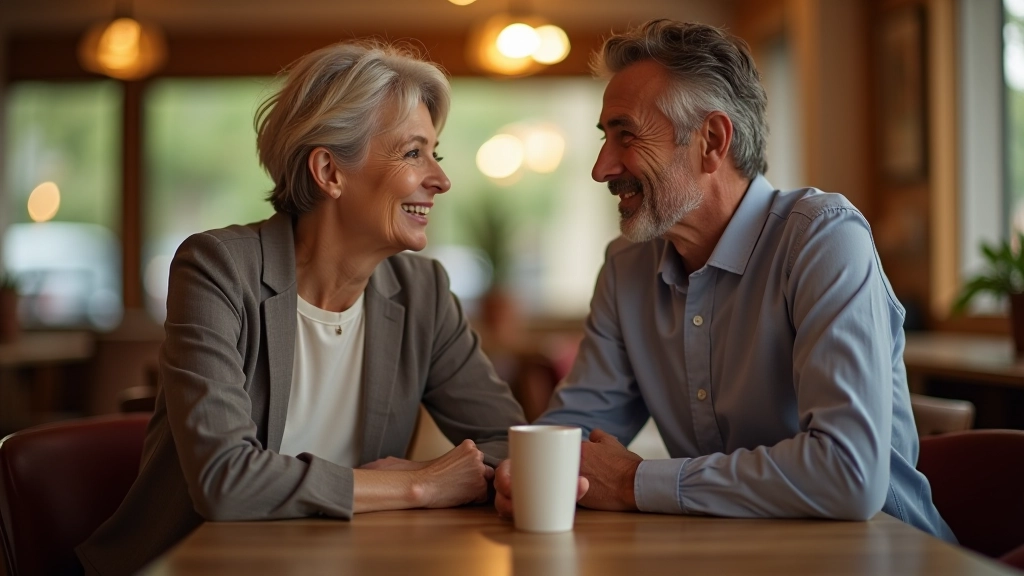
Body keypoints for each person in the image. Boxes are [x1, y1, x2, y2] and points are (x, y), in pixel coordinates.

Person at [494, 19, 954, 541]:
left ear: (712, 140)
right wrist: (529, 473)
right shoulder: (626, 268)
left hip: (886, 556)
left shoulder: (822, 239)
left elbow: (847, 475)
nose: (602, 168)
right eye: (605, 138)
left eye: (627, 135)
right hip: (730, 553)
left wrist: (634, 481)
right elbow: (572, 439)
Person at [78, 41, 526, 575]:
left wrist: (433, 478)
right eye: (413, 153)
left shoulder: (422, 290)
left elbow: (510, 446)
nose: (440, 179)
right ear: (329, 172)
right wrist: (419, 481)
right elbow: (225, 481)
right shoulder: (217, 269)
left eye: (437, 153)